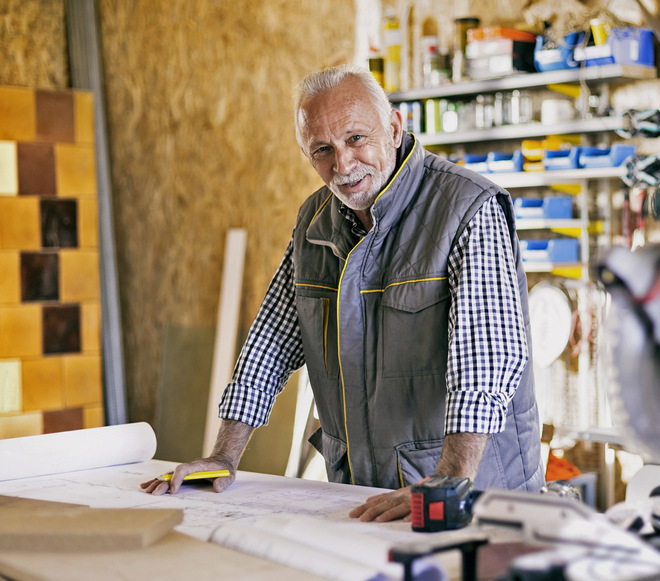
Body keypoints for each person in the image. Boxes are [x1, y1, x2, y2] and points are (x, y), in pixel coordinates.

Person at [142, 64, 544, 522]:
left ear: (393, 128)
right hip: (364, 493)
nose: (343, 165)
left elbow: (486, 360)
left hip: (475, 496)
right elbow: (271, 342)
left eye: (356, 139)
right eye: (322, 150)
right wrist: (223, 454)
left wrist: (449, 479)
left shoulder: (466, 208)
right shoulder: (315, 222)